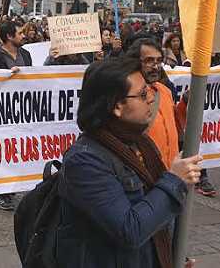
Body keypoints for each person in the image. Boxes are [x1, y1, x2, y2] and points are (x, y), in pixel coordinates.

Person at [57, 56, 202, 268]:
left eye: (150, 91)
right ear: (117, 106)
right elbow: (130, 230)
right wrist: (173, 180)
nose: (151, 99)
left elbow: (156, 220)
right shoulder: (84, 161)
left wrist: (172, 256)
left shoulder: (141, 143)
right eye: (143, 94)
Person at [0, 20, 31, 211]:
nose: (23, 35)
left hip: (23, 111)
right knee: (4, 150)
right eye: (19, 33)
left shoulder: (25, 54)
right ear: (9, 36)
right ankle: (3, 192)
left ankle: (17, 185)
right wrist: (7, 76)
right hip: (3, 113)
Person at [126, 38, 179, 170]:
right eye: (149, 61)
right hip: (145, 174)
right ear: (135, 62)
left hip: (171, 172)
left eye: (159, 61)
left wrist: (185, 104)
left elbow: (175, 124)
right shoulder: (127, 94)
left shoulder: (165, 91)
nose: (156, 66)